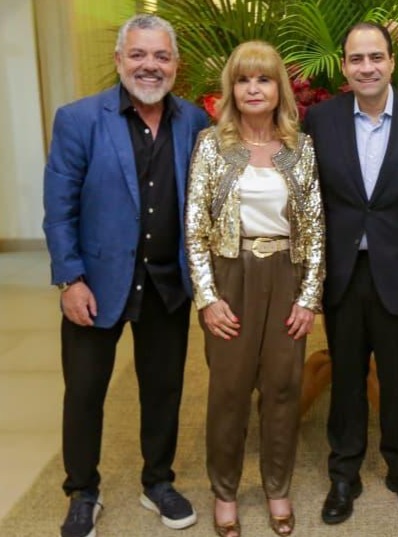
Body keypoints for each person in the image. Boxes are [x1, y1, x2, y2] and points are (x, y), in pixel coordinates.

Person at [42, 13, 208, 537]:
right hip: (95, 284)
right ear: (119, 60)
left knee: (163, 390)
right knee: (84, 393)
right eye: (138, 54)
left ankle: (157, 481)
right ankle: (82, 490)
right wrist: (70, 280)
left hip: (167, 283)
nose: (149, 65)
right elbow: (59, 209)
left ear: (175, 64)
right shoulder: (78, 119)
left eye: (160, 56)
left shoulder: (195, 121)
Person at [303, 21, 398, 524]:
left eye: (376, 57)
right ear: (344, 66)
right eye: (356, 59)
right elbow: (309, 204)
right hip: (343, 273)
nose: (366, 67)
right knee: (346, 376)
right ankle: (343, 473)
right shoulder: (320, 120)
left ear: (392, 62)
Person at [185, 41, 324, 537]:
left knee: (284, 388)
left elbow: (315, 227)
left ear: (278, 88)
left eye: (263, 79)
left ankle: (277, 488)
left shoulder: (301, 148)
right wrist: (208, 297)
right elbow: (195, 229)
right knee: (229, 390)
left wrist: (308, 298)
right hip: (231, 275)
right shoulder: (211, 145)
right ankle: (225, 492)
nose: (253, 89)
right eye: (243, 80)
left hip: (286, 273)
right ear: (232, 89)